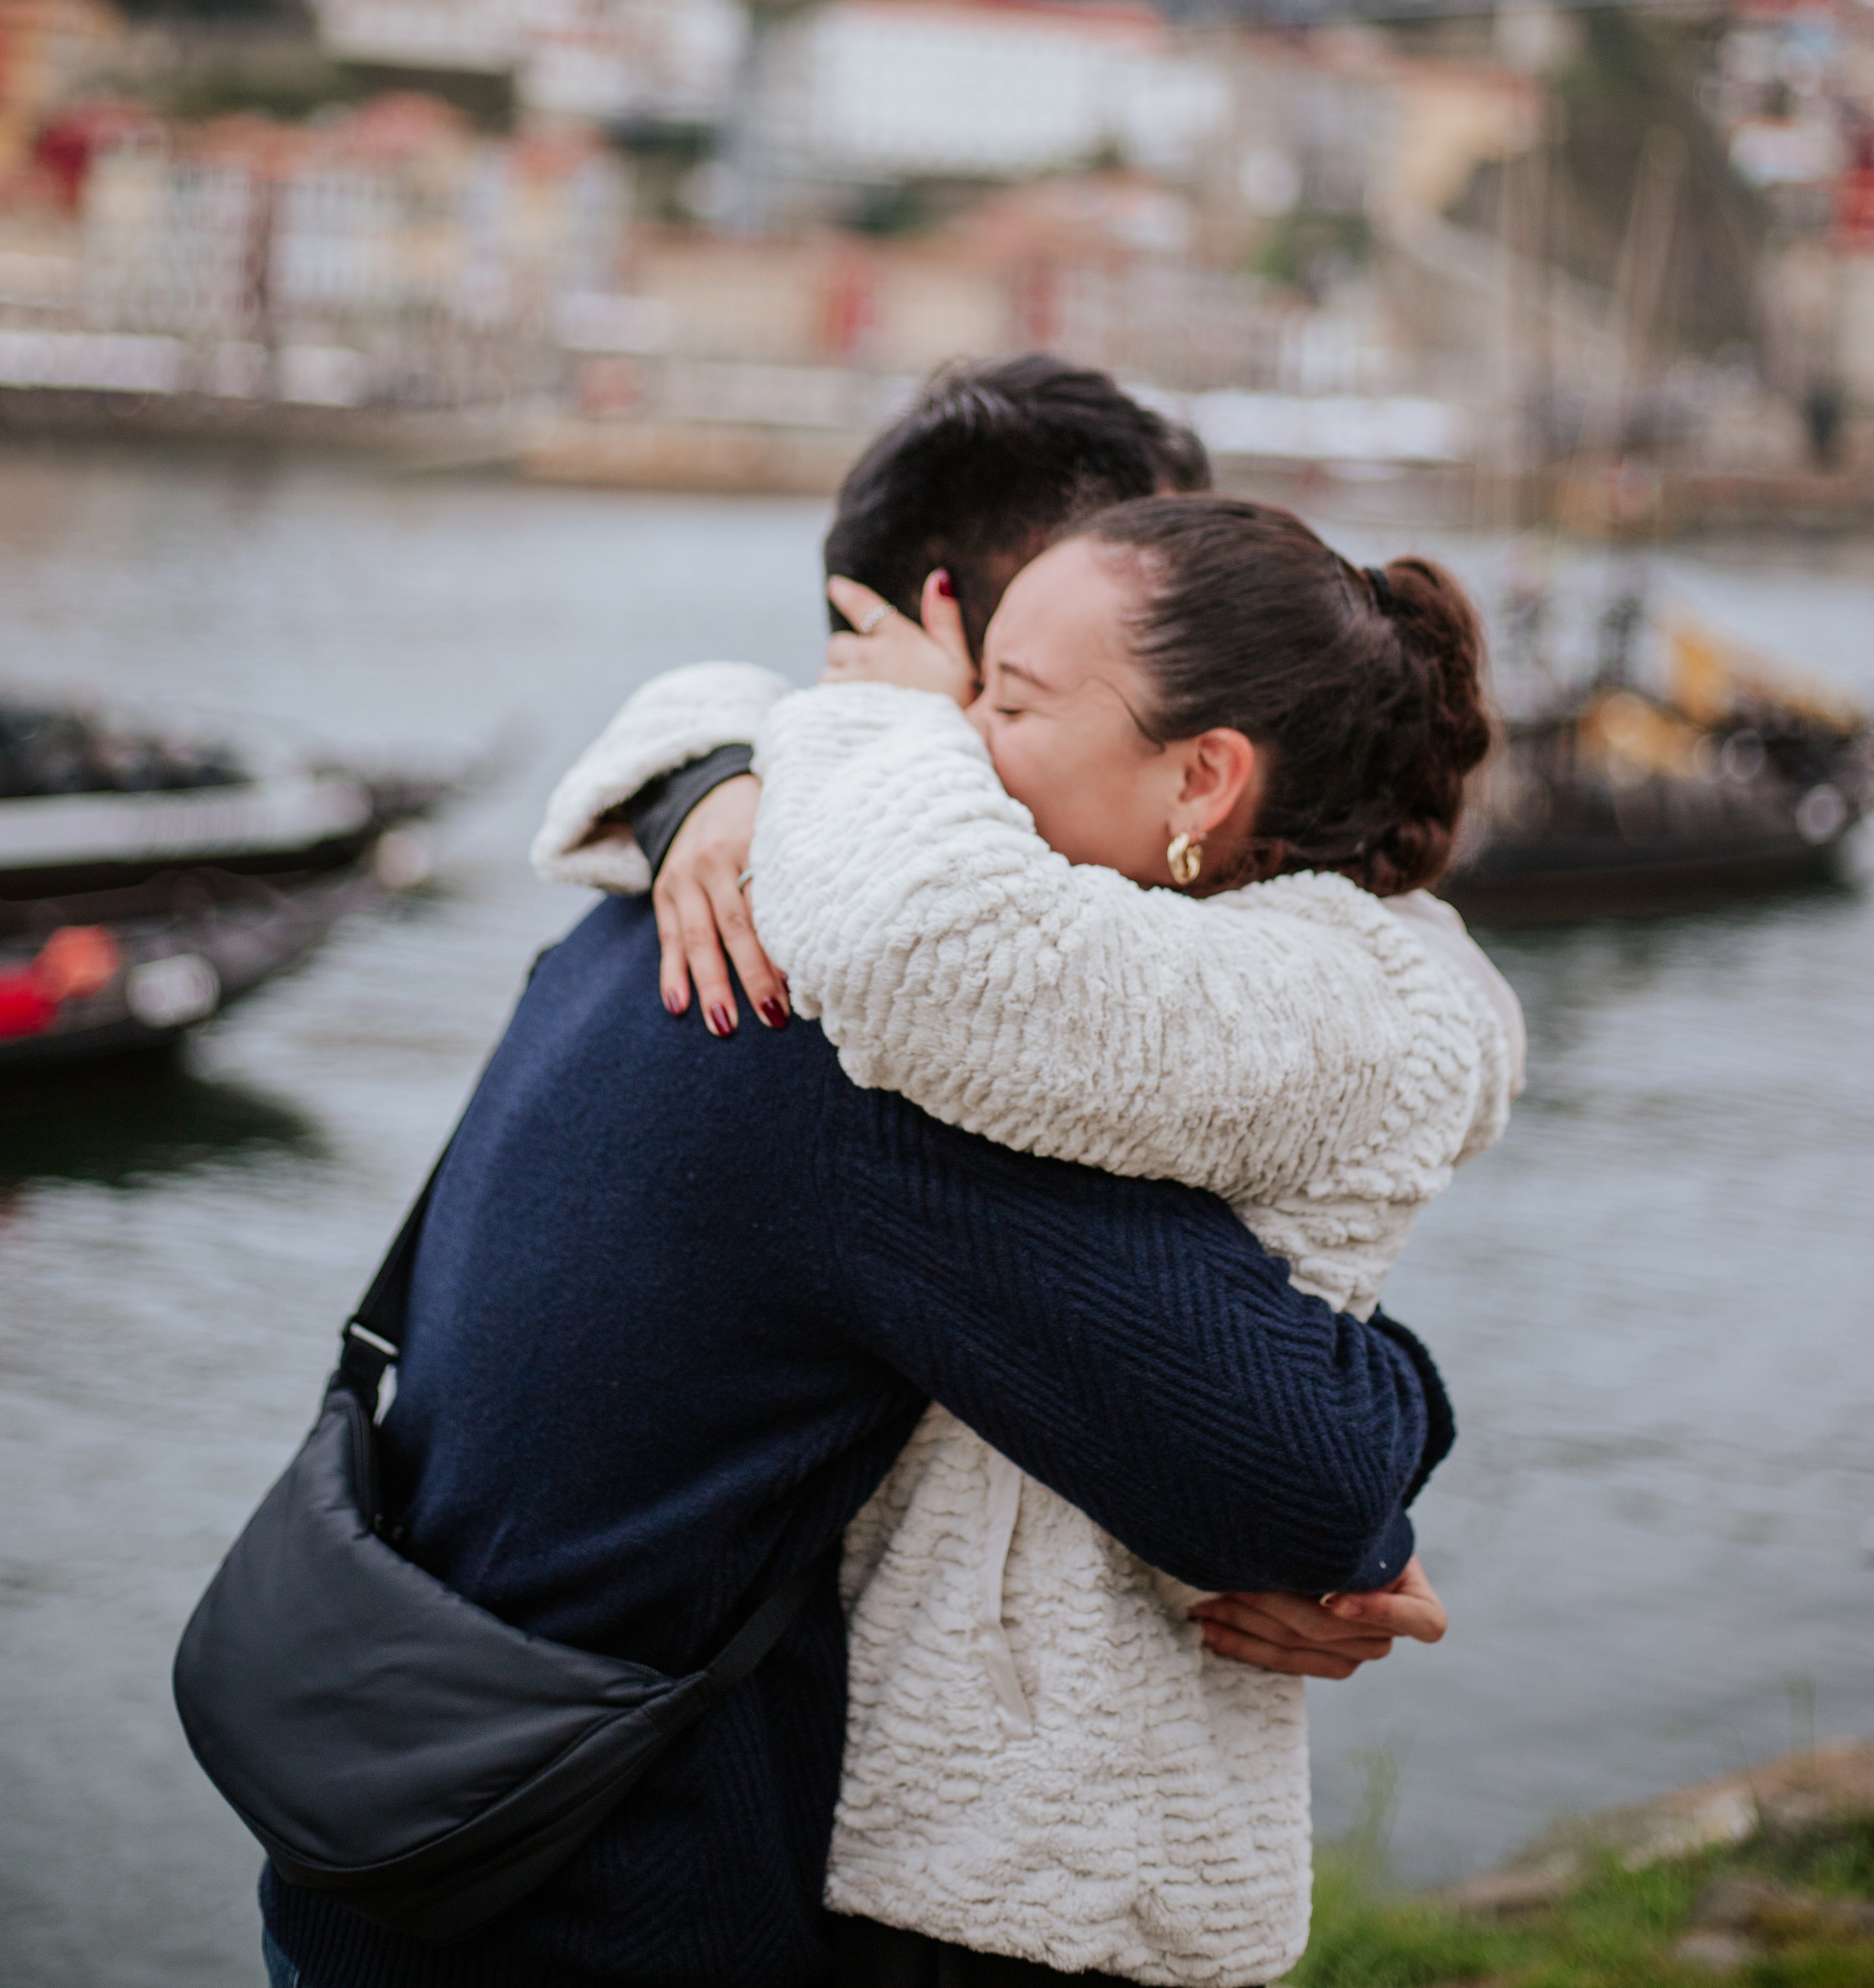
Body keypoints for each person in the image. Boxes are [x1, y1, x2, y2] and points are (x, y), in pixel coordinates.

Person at [264, 360, 1452, 1988]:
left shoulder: (648, 908)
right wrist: (1379, 1486)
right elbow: (1298, 1470)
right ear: (955, 625)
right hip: (594, 1893)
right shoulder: (853, 1020)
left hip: (401, 1836)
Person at [551, 490, 1523, 1983]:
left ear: (1201, 778)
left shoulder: (1330, 996)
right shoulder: (1149, 932)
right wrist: (716, 778)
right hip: (966, 1826)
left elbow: (922, 948)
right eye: (960, 687)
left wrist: (871, 737)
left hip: (1065, 1870)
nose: (959, 731)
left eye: (1000, 700)